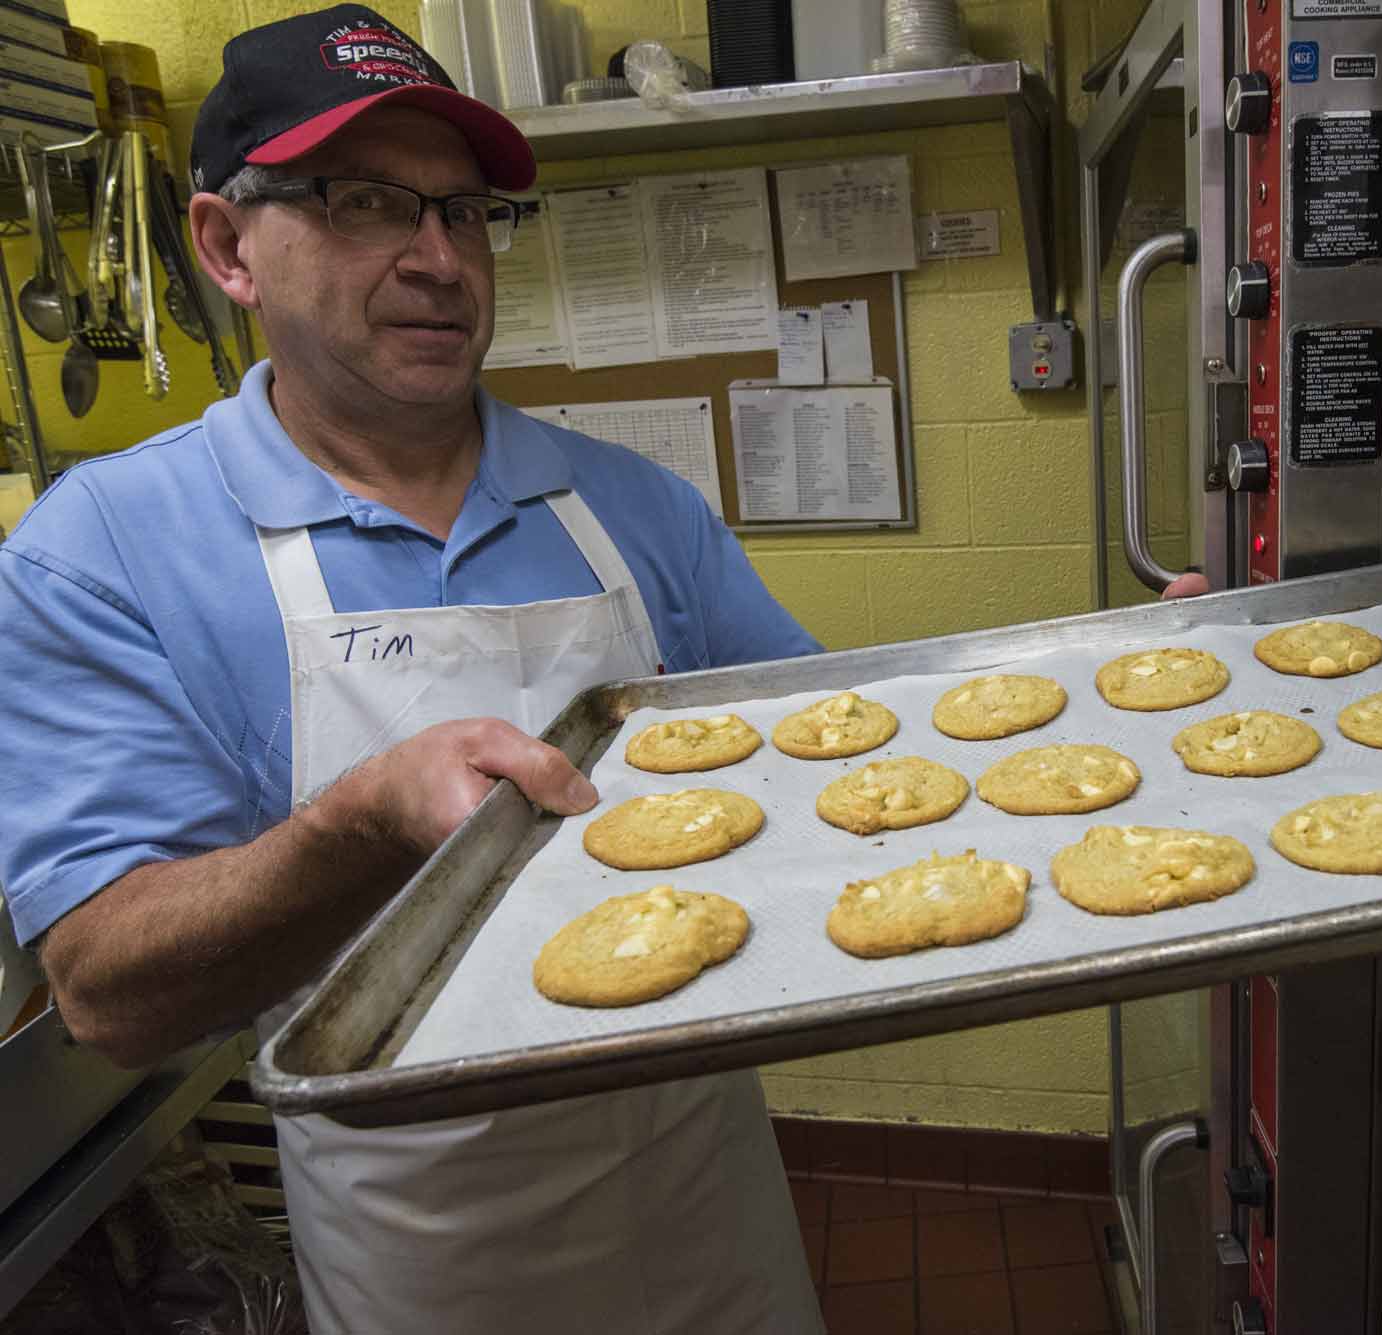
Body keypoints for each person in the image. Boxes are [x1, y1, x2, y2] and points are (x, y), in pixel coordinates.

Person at [0, 8, 823, 1331]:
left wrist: (1098, 697)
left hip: (704, 1212)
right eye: (368, 203)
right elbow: (109, 990)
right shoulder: (101, 554)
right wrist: (367, 824)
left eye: (466, 212)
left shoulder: (630, 508)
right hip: (426, 1264)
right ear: (227, 246)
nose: (439, 259)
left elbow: (838, 763)